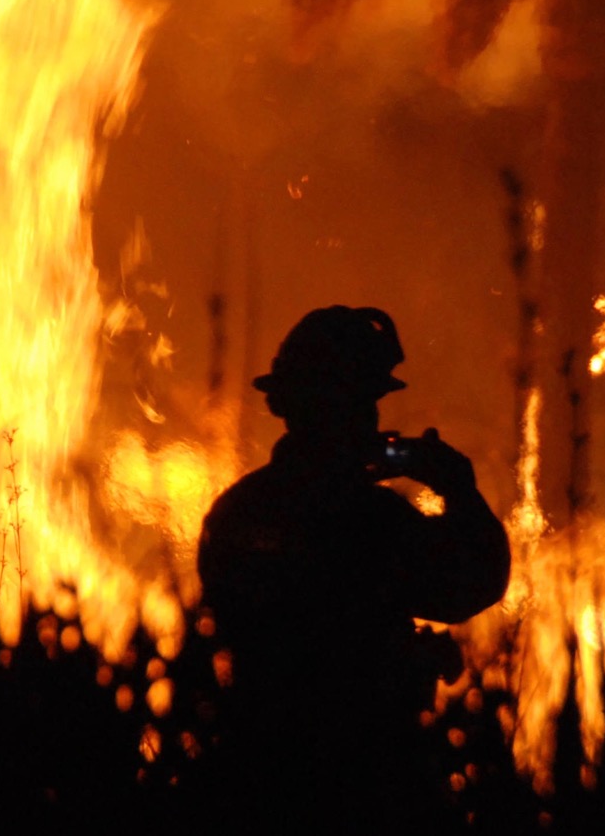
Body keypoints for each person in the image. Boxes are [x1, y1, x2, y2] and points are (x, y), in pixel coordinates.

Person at [197, 306, 511, 788]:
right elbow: (469, 586)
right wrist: (458, 490)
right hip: (366, 768)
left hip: (258, 765)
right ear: (343, 408)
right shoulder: (367, 517)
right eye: (365, 404)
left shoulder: (237, 510)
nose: (372, 423)